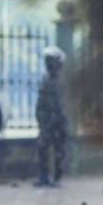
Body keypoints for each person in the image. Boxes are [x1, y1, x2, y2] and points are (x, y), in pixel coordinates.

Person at [34, 45, 70, 187]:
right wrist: (40, 117)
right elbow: (41, 100)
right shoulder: (45, 78)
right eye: (47, 60)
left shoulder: (62, 80)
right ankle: (44, 176)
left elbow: (63, 103)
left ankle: (57, 177)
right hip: (46, 119)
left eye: (51, 60)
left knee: (58, 149)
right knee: (42, 147)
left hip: (58, 121)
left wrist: (57, 118)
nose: (48, 63)